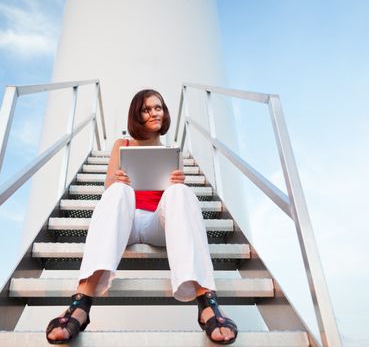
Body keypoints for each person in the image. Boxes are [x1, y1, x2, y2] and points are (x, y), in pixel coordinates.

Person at [46, 89, 238, 345]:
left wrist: (176, 184)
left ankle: (206, 300)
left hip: (158, 224)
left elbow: (177, 211)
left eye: (158, 107)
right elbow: (107, 192)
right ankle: (81, 301)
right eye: (147, 109)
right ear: (137, 115)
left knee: (181, 192)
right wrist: (119, 180)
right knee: (117, 191)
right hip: (126, 221)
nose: (154, 112)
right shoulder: (121, 145)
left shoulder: (172, 152)